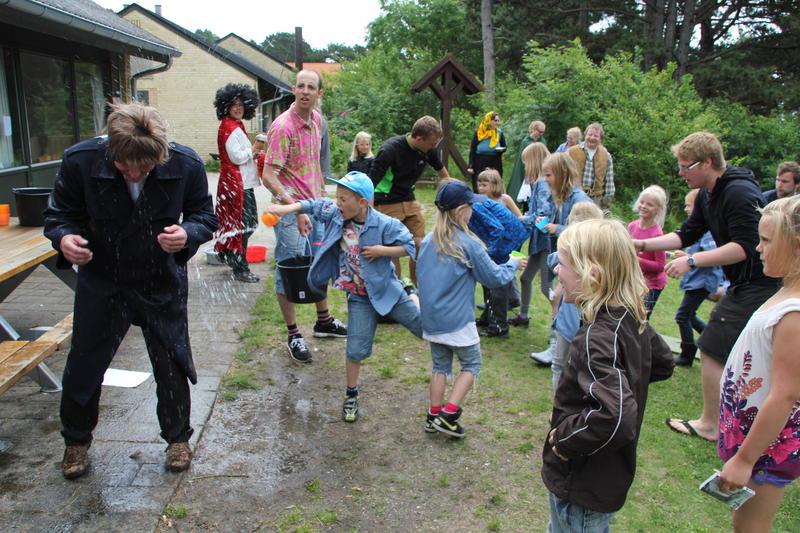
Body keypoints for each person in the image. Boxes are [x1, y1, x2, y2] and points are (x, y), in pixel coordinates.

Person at [43, 102, 218, 479]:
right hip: (104, 277)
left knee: (171, 364)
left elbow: (205, 216)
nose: (136, 172)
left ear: (161, 153)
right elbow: (59, 215)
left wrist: (189, 234)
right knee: (85, 364)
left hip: (159, 278)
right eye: (126, 167)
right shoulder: (80, 161)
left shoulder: (185, 164)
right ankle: (75, 442)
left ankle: (177, 439)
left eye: (146, 167)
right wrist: (64, 238)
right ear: (111, 151)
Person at [632, 131, 780, 442]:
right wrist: (641, 244)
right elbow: (686, 233)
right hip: (744, 283)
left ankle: (711, 425)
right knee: (743, 350)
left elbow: (745, 246)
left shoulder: (738, 193)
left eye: (686, 167)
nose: (681, 173)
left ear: (707, 162)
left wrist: (693, 261)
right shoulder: (706, 195)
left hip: (760, 283)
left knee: (712, 347)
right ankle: (744, 418)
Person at [542, 219, 674, 532]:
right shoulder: (630, 318)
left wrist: (565, 439)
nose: (557, 271)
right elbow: (662, 363)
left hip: (582, 479)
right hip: (605, 475)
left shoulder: (598, 336)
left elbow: (615, 417)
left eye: (562, 264)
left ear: (592, 275)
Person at [262, 172, 421, 422]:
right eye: (337, 197)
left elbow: (410, 246)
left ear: (362, 203)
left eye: (344, 199)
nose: (338, 203)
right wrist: (285, 210)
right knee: (355, 349)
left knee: (424, 328)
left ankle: (413, 296)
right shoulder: (336, 215)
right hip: (359, 296)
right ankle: (351, 395)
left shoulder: (384, 224)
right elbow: (313, 205)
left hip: (388, 292)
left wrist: (382, 251)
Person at [716, 196, 800, 533]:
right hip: (756, 440)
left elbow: (785, 395)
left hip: (767, 448)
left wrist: (746, 459)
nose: (758, 248)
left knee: (751, 526)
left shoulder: (794, 314)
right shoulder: (786, 291)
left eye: (766, 240)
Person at [417, 181, 526, 437]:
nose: (473, 211)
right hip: (456, 319)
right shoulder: (468, 243)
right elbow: (494, 278)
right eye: (471, 206)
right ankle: (448, 414)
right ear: (462, 210)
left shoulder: (430, 240)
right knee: (472, 363)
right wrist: (512, 263)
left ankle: (433, 415)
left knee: (440, 366)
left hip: (432, 317)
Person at [261, 69, 348, 364]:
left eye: (311, 87)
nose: (305, 91)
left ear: (319, 93)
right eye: (301, 86)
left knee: (318, 262)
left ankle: (323, 321)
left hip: (315, 207)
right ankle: (293, 333)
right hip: (289, 212)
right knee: (289, 270)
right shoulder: (283, 127)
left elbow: (318, 165)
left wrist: (323, 199)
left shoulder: (318, 121)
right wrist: (293, 208)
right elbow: (268, 174)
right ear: (293, 89)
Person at [368, 115, 449, 285]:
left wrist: (451, 191)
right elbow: (370, 183)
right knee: (391, 250)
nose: (434, 147)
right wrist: (369, 213)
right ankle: (396, 287)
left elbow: (442, 172)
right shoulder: (390, 149)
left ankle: (418, 285)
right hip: (387, 201)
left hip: (409, 200)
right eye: (432, 143)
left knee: (421, 245)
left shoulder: (428, 150)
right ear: (419, 138)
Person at [529, 152, 591, 363]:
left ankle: (561, 352)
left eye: (549, 175)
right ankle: (558, 351)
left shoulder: (579, 201)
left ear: (562, 174)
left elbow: (587, 234)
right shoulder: (563, 198)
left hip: (577, 268)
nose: (545, 180)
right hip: (564, 263)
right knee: (559, 302)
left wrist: (557, 228)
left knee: (562, 302)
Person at [468, 171, 529, 337]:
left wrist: (489, 253)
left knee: (496, 282)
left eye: (484, 184)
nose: (481, 187)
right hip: (501, 241)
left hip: (508, 241)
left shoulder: (475, 207)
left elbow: (497, 229)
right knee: (489, 280)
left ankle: (499, 326)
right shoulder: (474, 203)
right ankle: (488, 317)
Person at [212, 83, 261, 282]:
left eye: (241, 104)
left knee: (238, 224)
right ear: (226, 106)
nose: (238, 108)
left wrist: (253, 153)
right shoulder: (230, 127)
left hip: (237, 182)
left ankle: (230, 255)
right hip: (236, 184)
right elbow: (237, 157)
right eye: (234, 105)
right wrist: (254, 148)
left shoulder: (233, 125)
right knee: (244, 225)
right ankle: (240, 267)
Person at [672, 189, 723, 367]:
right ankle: (714, 340)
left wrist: (689, 260)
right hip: (695, 280)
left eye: (689, 205)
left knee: (682, 316)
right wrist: (684, 254)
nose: (686, 209)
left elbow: (710, 254)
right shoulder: (699, 229)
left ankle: (688, 353)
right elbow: (696, 250)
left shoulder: (709, 231)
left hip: (702, 282)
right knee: (690, 316)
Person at [511, 142, 552, 328]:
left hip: (547, 242)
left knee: (547, 288)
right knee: (526, 278)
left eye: (526, 162)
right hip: (538, 240)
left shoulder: (543, 184)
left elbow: (543, 216)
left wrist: (522, 220)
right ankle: (523, 315)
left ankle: (559, 327)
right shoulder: (537, 183)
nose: (525, 167)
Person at [628, 185, 668, 318]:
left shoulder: (657, 235)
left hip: (651, 285)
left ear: (659, 210)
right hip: (634, 280)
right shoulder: (632, 226)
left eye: (650, 204)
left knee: (641, 318)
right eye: (642, 202)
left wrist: (638, 260)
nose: (644, 206)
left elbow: (660, 266)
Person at [568, 122, 614, 210]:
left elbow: (609, 183)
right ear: (585, 136)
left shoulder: (606, 156)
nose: (592, 138)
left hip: (595, 199)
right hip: (573, 197)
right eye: (590, 135)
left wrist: (606, 206)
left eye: (596, 136)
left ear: (600, 139)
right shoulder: (570, 152)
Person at [467, 111, 507, 192]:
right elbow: (473, 149)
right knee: (480, 182)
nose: (497, 123)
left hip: (495, 160)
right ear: (489, 121)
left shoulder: (499, 132)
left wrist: (502, 150)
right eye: (495, 120)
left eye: (498, 121)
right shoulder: (480, 132)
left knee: (494, 183)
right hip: (480, 161)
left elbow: (504, 146)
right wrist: (471, 165)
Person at [507, 120, 546, 201]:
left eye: (543, 132)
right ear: (534, 129)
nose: (541, 134)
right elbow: (523, 159)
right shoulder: (526, 142)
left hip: (539, 170)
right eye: (540, 132)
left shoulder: (542, 141)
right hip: (528, 170)